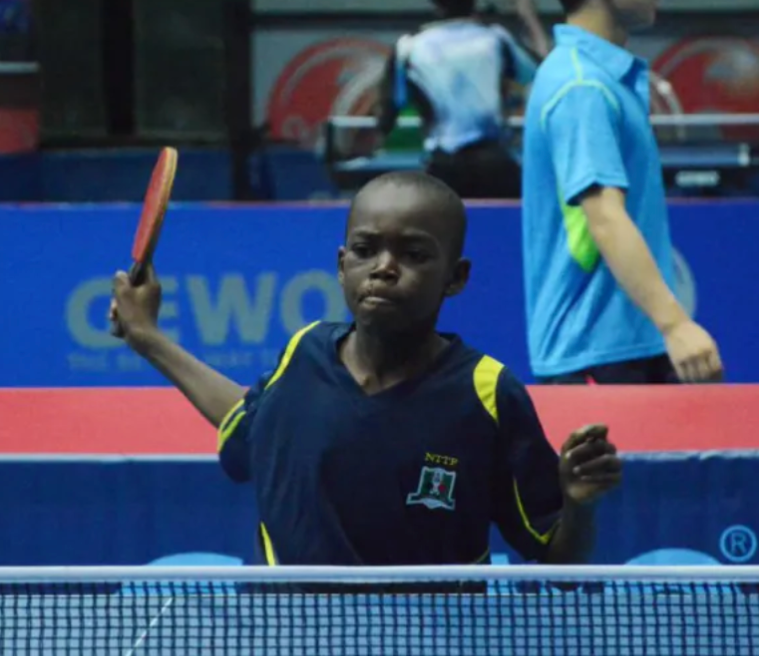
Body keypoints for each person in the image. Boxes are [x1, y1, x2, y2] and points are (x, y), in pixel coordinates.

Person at [110, 172, 621, 567]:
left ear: (455, 277)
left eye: (414, 254)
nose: (383, 267)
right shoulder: (303, 353)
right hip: (289, 653)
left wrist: (580, 505)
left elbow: (559, 564)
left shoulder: (486, 393)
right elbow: (252, 425)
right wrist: (148, 338)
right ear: (340, 264)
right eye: (364, 249)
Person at [521, 0, 724, 385]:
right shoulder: (581, 86)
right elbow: (606, 218)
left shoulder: (599, 76)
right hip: (594, 353)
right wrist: (676, 325)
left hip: (628, 344)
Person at [375, 0, 546, 199]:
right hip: (495, 164)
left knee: (443, 228)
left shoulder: (410, 46)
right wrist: (529, 18)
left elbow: (387, 113)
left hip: (444, 166)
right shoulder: (495, 38)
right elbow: (541, 73)